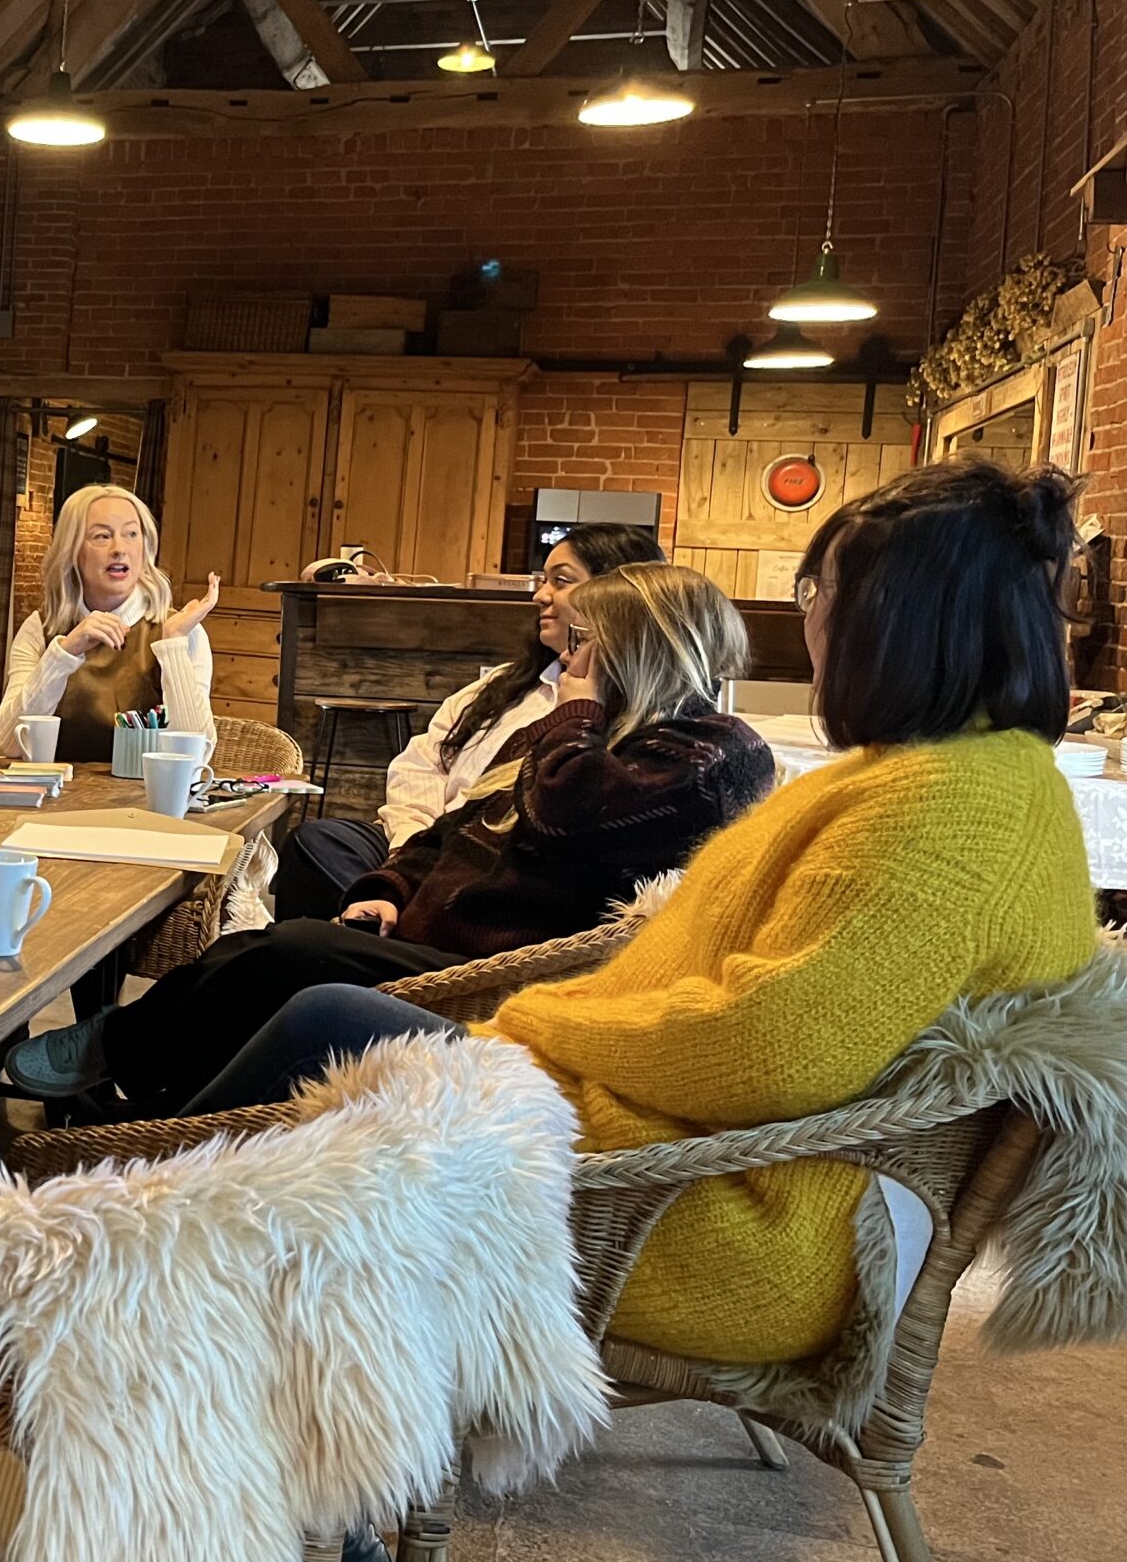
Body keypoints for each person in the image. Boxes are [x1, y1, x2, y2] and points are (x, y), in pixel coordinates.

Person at [133, 459, 1096, 1371]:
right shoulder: (941, 780)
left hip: (726, 1219)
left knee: (328, 1022)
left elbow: (767, 1047)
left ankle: (118, 1246)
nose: (811, 624)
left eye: (822, 593)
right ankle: (133, 1238)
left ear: (904, 620)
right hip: (683, 1153)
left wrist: (535, 1026)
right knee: (320, 1016)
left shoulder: (952, 808)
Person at [6, 561, 771, 1112]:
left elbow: (565, 812)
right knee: (259, 953)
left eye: (583, 645)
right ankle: (139, 1087)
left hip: (493, 969)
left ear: (632, 653)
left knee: (287, 953)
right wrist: (388, 888)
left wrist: (575, 710)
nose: (565, 660)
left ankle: (125, 1068)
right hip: (439, 929)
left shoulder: (706, 753)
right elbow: (452, 828)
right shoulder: (603, 735)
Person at [277, 522, 667, 920]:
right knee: (317, 843)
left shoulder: (633, 715)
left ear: (615, 596)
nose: (540, 594)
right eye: (544, 579)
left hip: (496, 872)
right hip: (423, 849)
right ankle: (383, 925)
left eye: (561, 581)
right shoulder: (504, 685)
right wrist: (411, 848)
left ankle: (385, 936)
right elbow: (422, 764)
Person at [0, 483, 221, 762]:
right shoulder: (41, 628)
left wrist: (173, 645)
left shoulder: (182, 630)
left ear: (145, 547)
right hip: (53, 796)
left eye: (131, 534)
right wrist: (64, 653)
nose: (119, 549)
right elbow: (11, 743)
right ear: (72, 550)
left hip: (144, 801)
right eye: (102, 536)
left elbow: (198, 755)